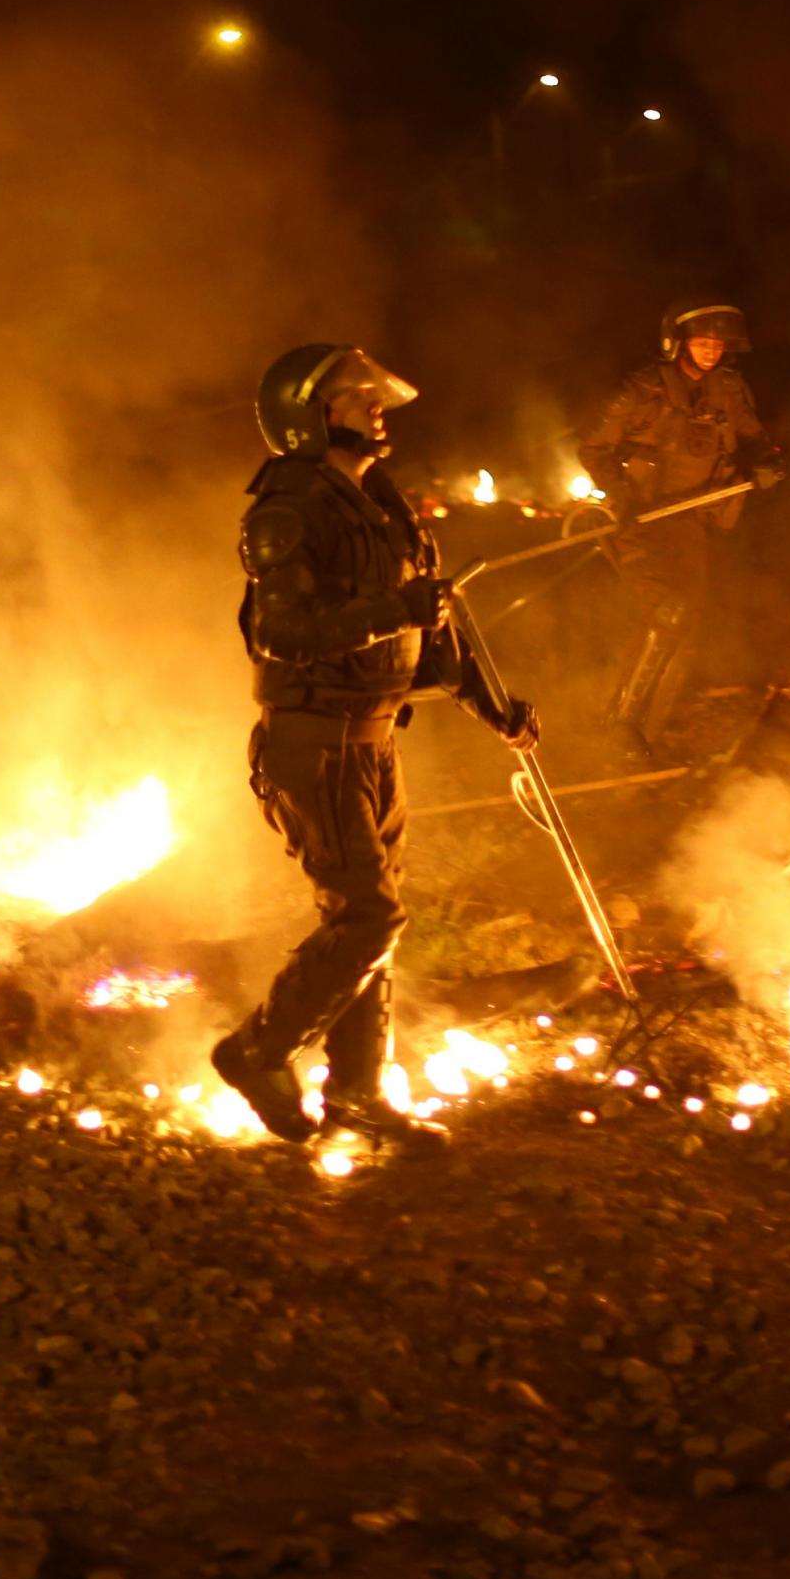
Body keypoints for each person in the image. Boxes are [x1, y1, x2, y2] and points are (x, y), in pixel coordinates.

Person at [211, 343, 540, 1152]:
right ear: (311, 414)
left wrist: (494, 709)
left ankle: (356, 1092)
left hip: (373, 738)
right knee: (369, 914)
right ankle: (256, 1050)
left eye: (372, 395)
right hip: (312, 743)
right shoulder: (287, 508)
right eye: (357, 397)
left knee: (366, 918)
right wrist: (394, 607)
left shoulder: (382, 502)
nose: (376, 406)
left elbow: (430, 627)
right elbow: (283, 635)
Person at [576, 297, 784, 756]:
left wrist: (766, 463)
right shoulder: (640, 392)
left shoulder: (728, 391)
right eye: (702, 341)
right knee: (665, 614)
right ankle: (618, 725)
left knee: (686, 627)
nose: (711, 350)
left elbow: (754, 441)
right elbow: (592, 449)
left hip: (690, 523)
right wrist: (622, 495)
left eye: (717, 343)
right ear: (678, 342)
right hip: (639, 521)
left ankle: (647, 734)